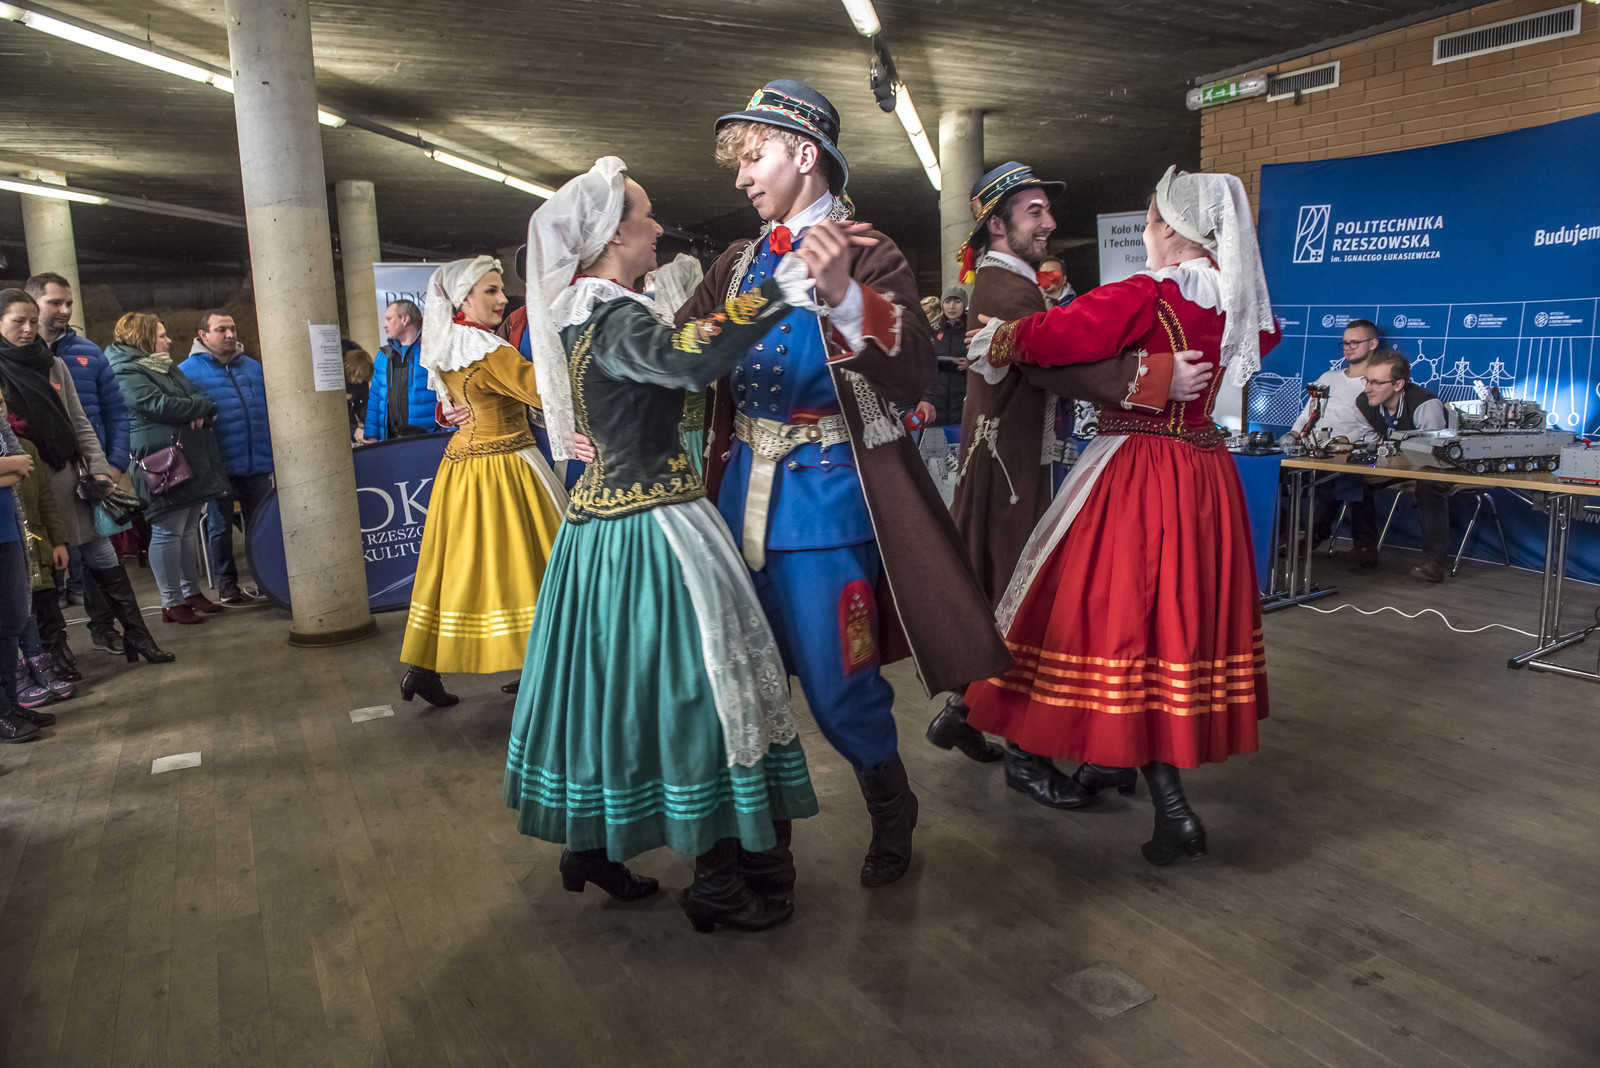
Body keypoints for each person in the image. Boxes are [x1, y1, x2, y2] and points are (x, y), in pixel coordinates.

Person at [680, 79, 1010, 888]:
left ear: (804, 154)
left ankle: (892, 804)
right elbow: (682, 350)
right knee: (744, 683)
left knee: (838, 688)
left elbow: (916, 367)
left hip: (825, 504)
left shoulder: (869, 251)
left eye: (753, 157)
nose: (740, 177)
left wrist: (847, 298)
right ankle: (768, 850)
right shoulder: (737, 260)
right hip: (736, 500)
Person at [506, 157, 822, 933]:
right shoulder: (614, 317)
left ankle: (593, 844)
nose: (656, 227)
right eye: (645, 215)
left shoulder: (587, 312)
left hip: (600, 529)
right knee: (698, 694)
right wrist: (778, 290)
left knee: (613, 694)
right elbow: (688, 358)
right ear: (615, 235)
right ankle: (718, 881)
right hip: (651, 531)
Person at [960, 166, 1280, 864]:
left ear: (1170, 229)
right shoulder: (1237, 301)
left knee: (1115, 624)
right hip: (1204, 469)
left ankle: (1171, 808)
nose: (1147, 234)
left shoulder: (1147, 293)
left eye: (1151, 222)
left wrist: (1003, 337)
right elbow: (1260, 344)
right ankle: (1109, 762)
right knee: (1174, 625)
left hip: (1139, 469)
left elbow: (1054, 336)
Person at [930, 162, 1180, 792]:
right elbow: (1052, 365)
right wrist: (1151, 378)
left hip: (1012, 459)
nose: (1049, 223)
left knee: (1009, 594)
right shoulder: (1005, 287)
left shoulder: (1010, 282)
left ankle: (964, 713)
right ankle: (1024, 755)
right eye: (1034, 212)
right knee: (1027, 601)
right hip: (1009, 465)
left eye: (1046, 210)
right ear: (997, 225)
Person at [396, 256, 566, 708]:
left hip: (461, 470)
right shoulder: (487, 349)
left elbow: (451, 402)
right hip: (505, 468)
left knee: (454, 571)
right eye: (490, 290)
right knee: (528, 566)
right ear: (463, 299)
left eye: (501, 288)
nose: (502, 297)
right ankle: (542, 670)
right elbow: (544, 392)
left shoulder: (449, 341)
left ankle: (423, 668)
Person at [0, 289, 173, 665]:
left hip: (66, 477)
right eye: (18, 322)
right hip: (25, 487)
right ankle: (55, 650)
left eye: (32, 321)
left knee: (102, 552)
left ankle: (138, 635)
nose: (28, 329)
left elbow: (78, 421)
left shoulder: (52, 364)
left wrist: (99, 469)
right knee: (42, 568)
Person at [25, 273, 130, 646]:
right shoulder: (16, 360)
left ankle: (105, 628)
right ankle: (52, 647)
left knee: (96, 551)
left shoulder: (88, 353)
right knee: (45, 560)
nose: (66, 310)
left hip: (87, 473)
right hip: (40, 477)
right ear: (33, 304)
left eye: (68, 302)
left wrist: (113, 464)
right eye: (55, 302)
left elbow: (115, 411)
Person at [107, 313, 232, 624]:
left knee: (187, 530)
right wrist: (198, 408)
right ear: (143, 338)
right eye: (161, 335)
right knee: (167, 531)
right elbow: (159, 405)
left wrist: (200, 406)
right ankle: (171, 601)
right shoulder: (125, 370)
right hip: (160, 461)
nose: (169, 340)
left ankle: (191, 593)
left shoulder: (163, 366)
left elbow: (199, 396)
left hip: (185, 455)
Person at [180, 311, 273, 605]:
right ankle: (227, 584)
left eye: (232, 328)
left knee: (262, 523)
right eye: (221, 329)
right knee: (219, 526)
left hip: (256, 460)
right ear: (203, 335)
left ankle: (268, 579)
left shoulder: (254, 368)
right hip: (216, 463)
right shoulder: (186, 372)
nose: (230, 334)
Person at [1353, 350, 1451, 583]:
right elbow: (1372, 440)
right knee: (1355, 478)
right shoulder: (1364, 402)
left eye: (1376, 383)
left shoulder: (1425, 404)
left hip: (1441, 465)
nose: (1368, 389)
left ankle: (1434, 561)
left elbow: (1435, 454)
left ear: (1398, 384)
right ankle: (1364, 549)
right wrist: (1381, 467)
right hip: (1400, 463)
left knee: (1429, 484)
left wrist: (1391, 472)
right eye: (1367, 381)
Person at [1294, 320, 1383, 563]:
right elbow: (1306, 415)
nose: (1348, 347)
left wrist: (1347, 445)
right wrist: (1293, 435)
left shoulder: (1377, 383)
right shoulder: (1328, 377)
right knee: (1276, 472)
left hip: (1353, 454)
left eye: (1355, 342)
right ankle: (1289, 534)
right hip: (1313, 450)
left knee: (1346, 474)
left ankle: (1353, 544)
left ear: (1373, 344)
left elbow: (1379, 427)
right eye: (1345, 342)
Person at [0, 408, 47, 742]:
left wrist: (12, 466)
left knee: (12, 620)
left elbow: (23, 463)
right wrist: (9, 467)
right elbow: (13, 464)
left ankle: (10, 704)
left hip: (7, 530)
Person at [359, 300, 439, 444]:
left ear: (405, 319)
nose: (384, 325)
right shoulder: (383, 356)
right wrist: (371, 436)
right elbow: (375, 399)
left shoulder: (434, 351)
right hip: (389, 442)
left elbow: (450, 396)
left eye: (389, 319)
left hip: (429, 441)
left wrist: (447, 434)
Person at [342, 339, 373, 441]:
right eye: (358, 378)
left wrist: (373, 425)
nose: (360, 382)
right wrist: (353, 430)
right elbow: (329, 416)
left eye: (363, 379)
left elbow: (363, 405)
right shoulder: (331, 380)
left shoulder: (361, 377)